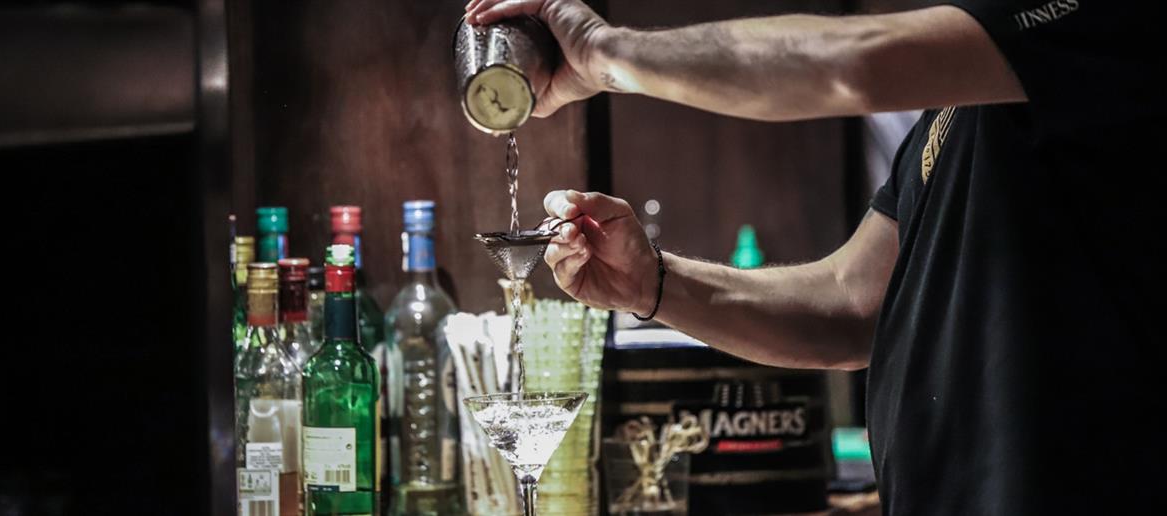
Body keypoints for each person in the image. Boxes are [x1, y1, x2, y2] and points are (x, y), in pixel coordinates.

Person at [466, 0, 1163, 514]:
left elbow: (855, 66)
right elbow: (851, 302)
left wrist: (603, 52)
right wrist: (654, 283)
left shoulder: (1103, 20)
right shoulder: (966, 103)